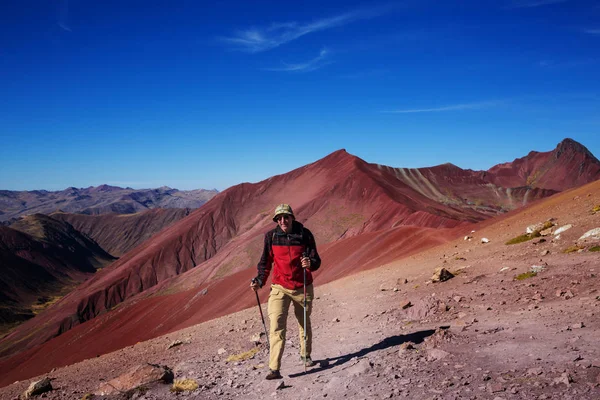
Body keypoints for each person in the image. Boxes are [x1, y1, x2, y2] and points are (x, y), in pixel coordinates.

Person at [251, 203, 321, 380]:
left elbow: (316, 260)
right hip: (280, 287)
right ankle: (274, 369)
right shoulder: (271, 236)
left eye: (286, 217)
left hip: (301, 286)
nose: (283, 220)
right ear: (276, 220)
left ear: (292, 217)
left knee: (304, 323)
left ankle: (305, 356)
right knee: (276, 325)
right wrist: (259, 280)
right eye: (279, 218)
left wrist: (310, 264)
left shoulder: (305, 234)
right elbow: (265, 263)